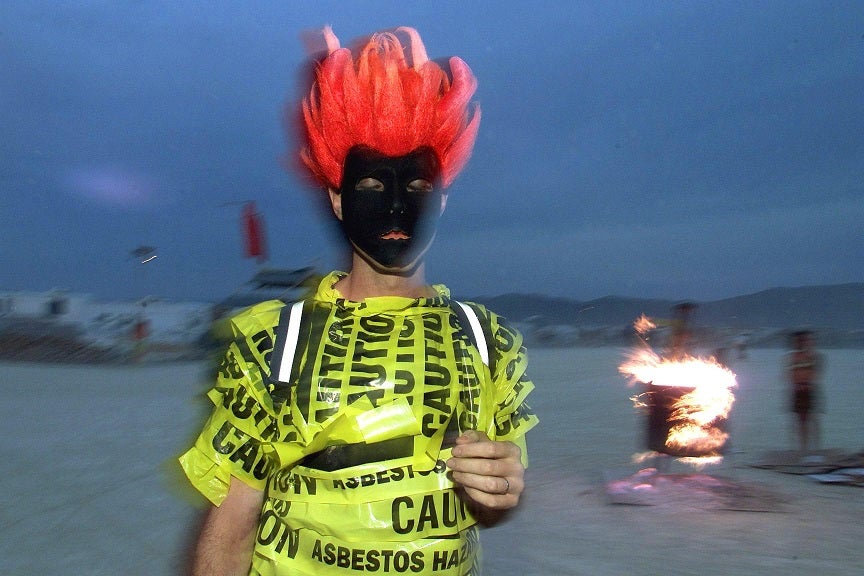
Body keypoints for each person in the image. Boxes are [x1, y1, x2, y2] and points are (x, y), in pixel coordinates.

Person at [179, 26, 537, 575]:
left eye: (417, 190)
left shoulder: (486, 341)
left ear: (443, 202)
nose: (396, 209)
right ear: (337, 199)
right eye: (371, 188)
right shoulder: (277, 346)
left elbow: (485, 511)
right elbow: (229, 535)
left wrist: (498, 491)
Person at [787, 329, 823, 454]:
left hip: (809, 390)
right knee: (800, 421)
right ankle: (804, 449)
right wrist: (796, 384)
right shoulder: (793, 356)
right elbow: (790, 374)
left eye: (804, 340)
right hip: (797, 391)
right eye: (799, 341)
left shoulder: (813, 356)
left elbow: (816, 372)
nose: (801, 343)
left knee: (813, 418)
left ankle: (816, 449)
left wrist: (807, 383)